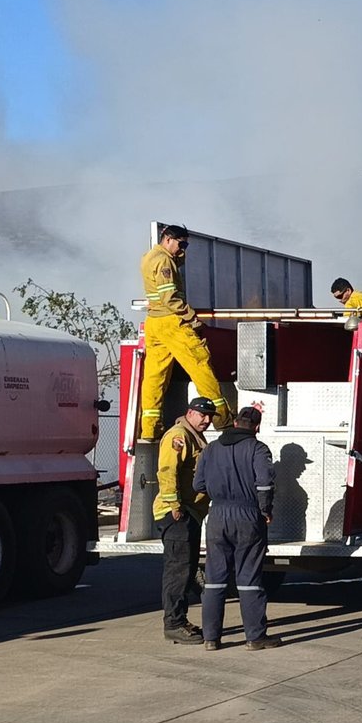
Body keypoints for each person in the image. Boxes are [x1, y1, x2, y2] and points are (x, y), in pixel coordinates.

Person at [194, 406, 282, 651]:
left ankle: (211, 638)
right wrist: (265, 510)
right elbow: (264, 484)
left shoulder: (211, 449)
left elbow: (198, 483)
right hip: (247, 515)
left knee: (213, 580)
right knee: (249, 578)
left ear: (234, 423)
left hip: (217, 516)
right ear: (256, 427)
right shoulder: (258, 449)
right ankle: (255, 637)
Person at [138, 225, 230, 440]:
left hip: (154, 322)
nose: (183, 249)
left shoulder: (149, 257)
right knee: (200, 365)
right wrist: (191, 318)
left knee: (154, 377)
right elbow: (170, 297)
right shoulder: (163, 261)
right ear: (168, 239)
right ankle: (222, 419)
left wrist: (180, 256)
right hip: (172, 322)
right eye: (182, 244)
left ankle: (150, 429)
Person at [156, 397, 215, 644]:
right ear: (190, 412)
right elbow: (168, 472)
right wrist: (175, 506)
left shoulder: (194, 437)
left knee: (187, 569)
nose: (207, 420)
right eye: (202, 415)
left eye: (210, 416)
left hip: (190, 512)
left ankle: (180, 620)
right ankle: (174, 624)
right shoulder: (178, 436)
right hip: (178, 513)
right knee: (178, 571)